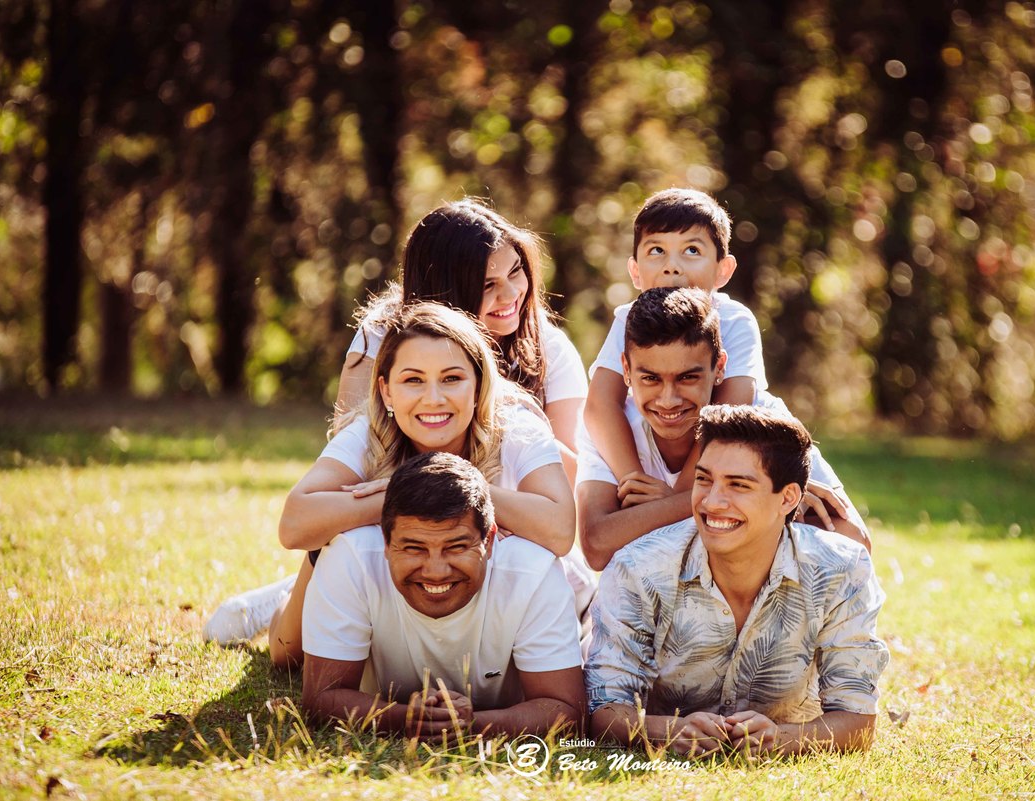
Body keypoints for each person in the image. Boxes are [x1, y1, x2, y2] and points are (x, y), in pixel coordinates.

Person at [204, 303, 587, 663]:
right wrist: (395, 496)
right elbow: (293, 527)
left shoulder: (516, 425)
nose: (433, 399)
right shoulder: (370, 430)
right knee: (288, 654)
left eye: (452, 379)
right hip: (408, 572)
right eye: (413, 380)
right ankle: (287, 594)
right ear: (387, 391)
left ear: (478, 383)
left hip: (496, 582)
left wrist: (452, 485)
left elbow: (558, 530)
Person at [585, 405, 889, 757]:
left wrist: (783, 739)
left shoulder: (840, 569)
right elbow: (603, 712)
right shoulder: (638, 567)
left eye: (738, 485)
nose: (712, 502)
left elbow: (858, 720)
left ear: (788, 498)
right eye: (703, 479)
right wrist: (665, 730)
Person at [576, 287, 869, 571]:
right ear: (626, 370)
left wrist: (664, 508)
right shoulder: (611, 429)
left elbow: (854, 542)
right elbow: (597, 545)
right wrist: (755, 502)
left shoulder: (761, 416)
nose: (668, 399)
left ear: (720, 368)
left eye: (687, 377)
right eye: (651, 379)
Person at [302, 450, 585, 740]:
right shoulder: (351, 557)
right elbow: (321, 698)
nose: (436, 571)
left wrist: (471, 725)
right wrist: (404, 718)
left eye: (456, 547)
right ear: (385, 542)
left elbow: (567, 711)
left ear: (488, 540)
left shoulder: (534, 571)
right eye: (414, 548)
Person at [337, 200, 587, 476]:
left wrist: (496, 402)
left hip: (508, 510)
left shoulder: (548, 347)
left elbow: (576, 478)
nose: (510, 294)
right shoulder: (384, 333)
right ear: (444, 292)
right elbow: (348, 448)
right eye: (487, 285)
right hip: (400, 500)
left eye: (515, 271)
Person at [583, 188, 763, 495]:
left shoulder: (734, 320)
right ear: (635, 272)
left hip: (729, 458)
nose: (672, 266)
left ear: (723, 270)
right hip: (657, 451)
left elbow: (728, 414)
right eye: (657, 251)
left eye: (692, 250)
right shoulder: (629, 320)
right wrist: (633, 479)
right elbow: (600, 404)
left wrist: (678, 495)